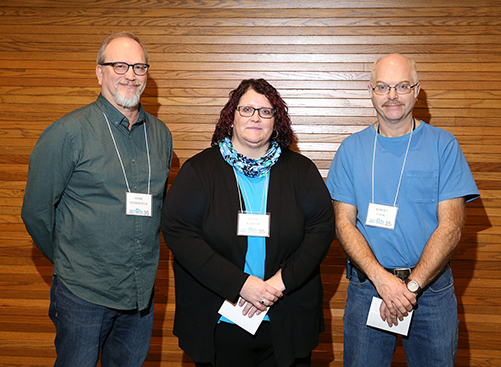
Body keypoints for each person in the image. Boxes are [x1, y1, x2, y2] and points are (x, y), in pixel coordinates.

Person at [21, 31, 173, 367]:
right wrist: (69, 261)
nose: (130, 75)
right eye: (119, 65)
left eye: (139, 67)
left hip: (139, 295)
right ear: (99, 72)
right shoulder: (67, 133)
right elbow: (35, 213)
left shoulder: (161, 135)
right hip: (82, 294)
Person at [161, 78, 335, 367]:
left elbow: (321, 229)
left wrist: (279, 284)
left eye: (266, 112)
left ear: (276, 122)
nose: (256, 117)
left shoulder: (301, 171)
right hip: (219, 322)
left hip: (287, 320)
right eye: (247, 110)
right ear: (231, 118)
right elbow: (179, 232)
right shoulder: (200, 170)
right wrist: (241, 284)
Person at [325, 53, 480, 367]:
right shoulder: (351, 149)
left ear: (417, 90)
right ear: (371, 91)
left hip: (430, 291)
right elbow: (343, 224)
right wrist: (383, 281)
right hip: (369, 287)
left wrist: (410, 287)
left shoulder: (444, 145)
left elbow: (451, 227)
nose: (391, 95)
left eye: (401, 86)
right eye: (382, 87)